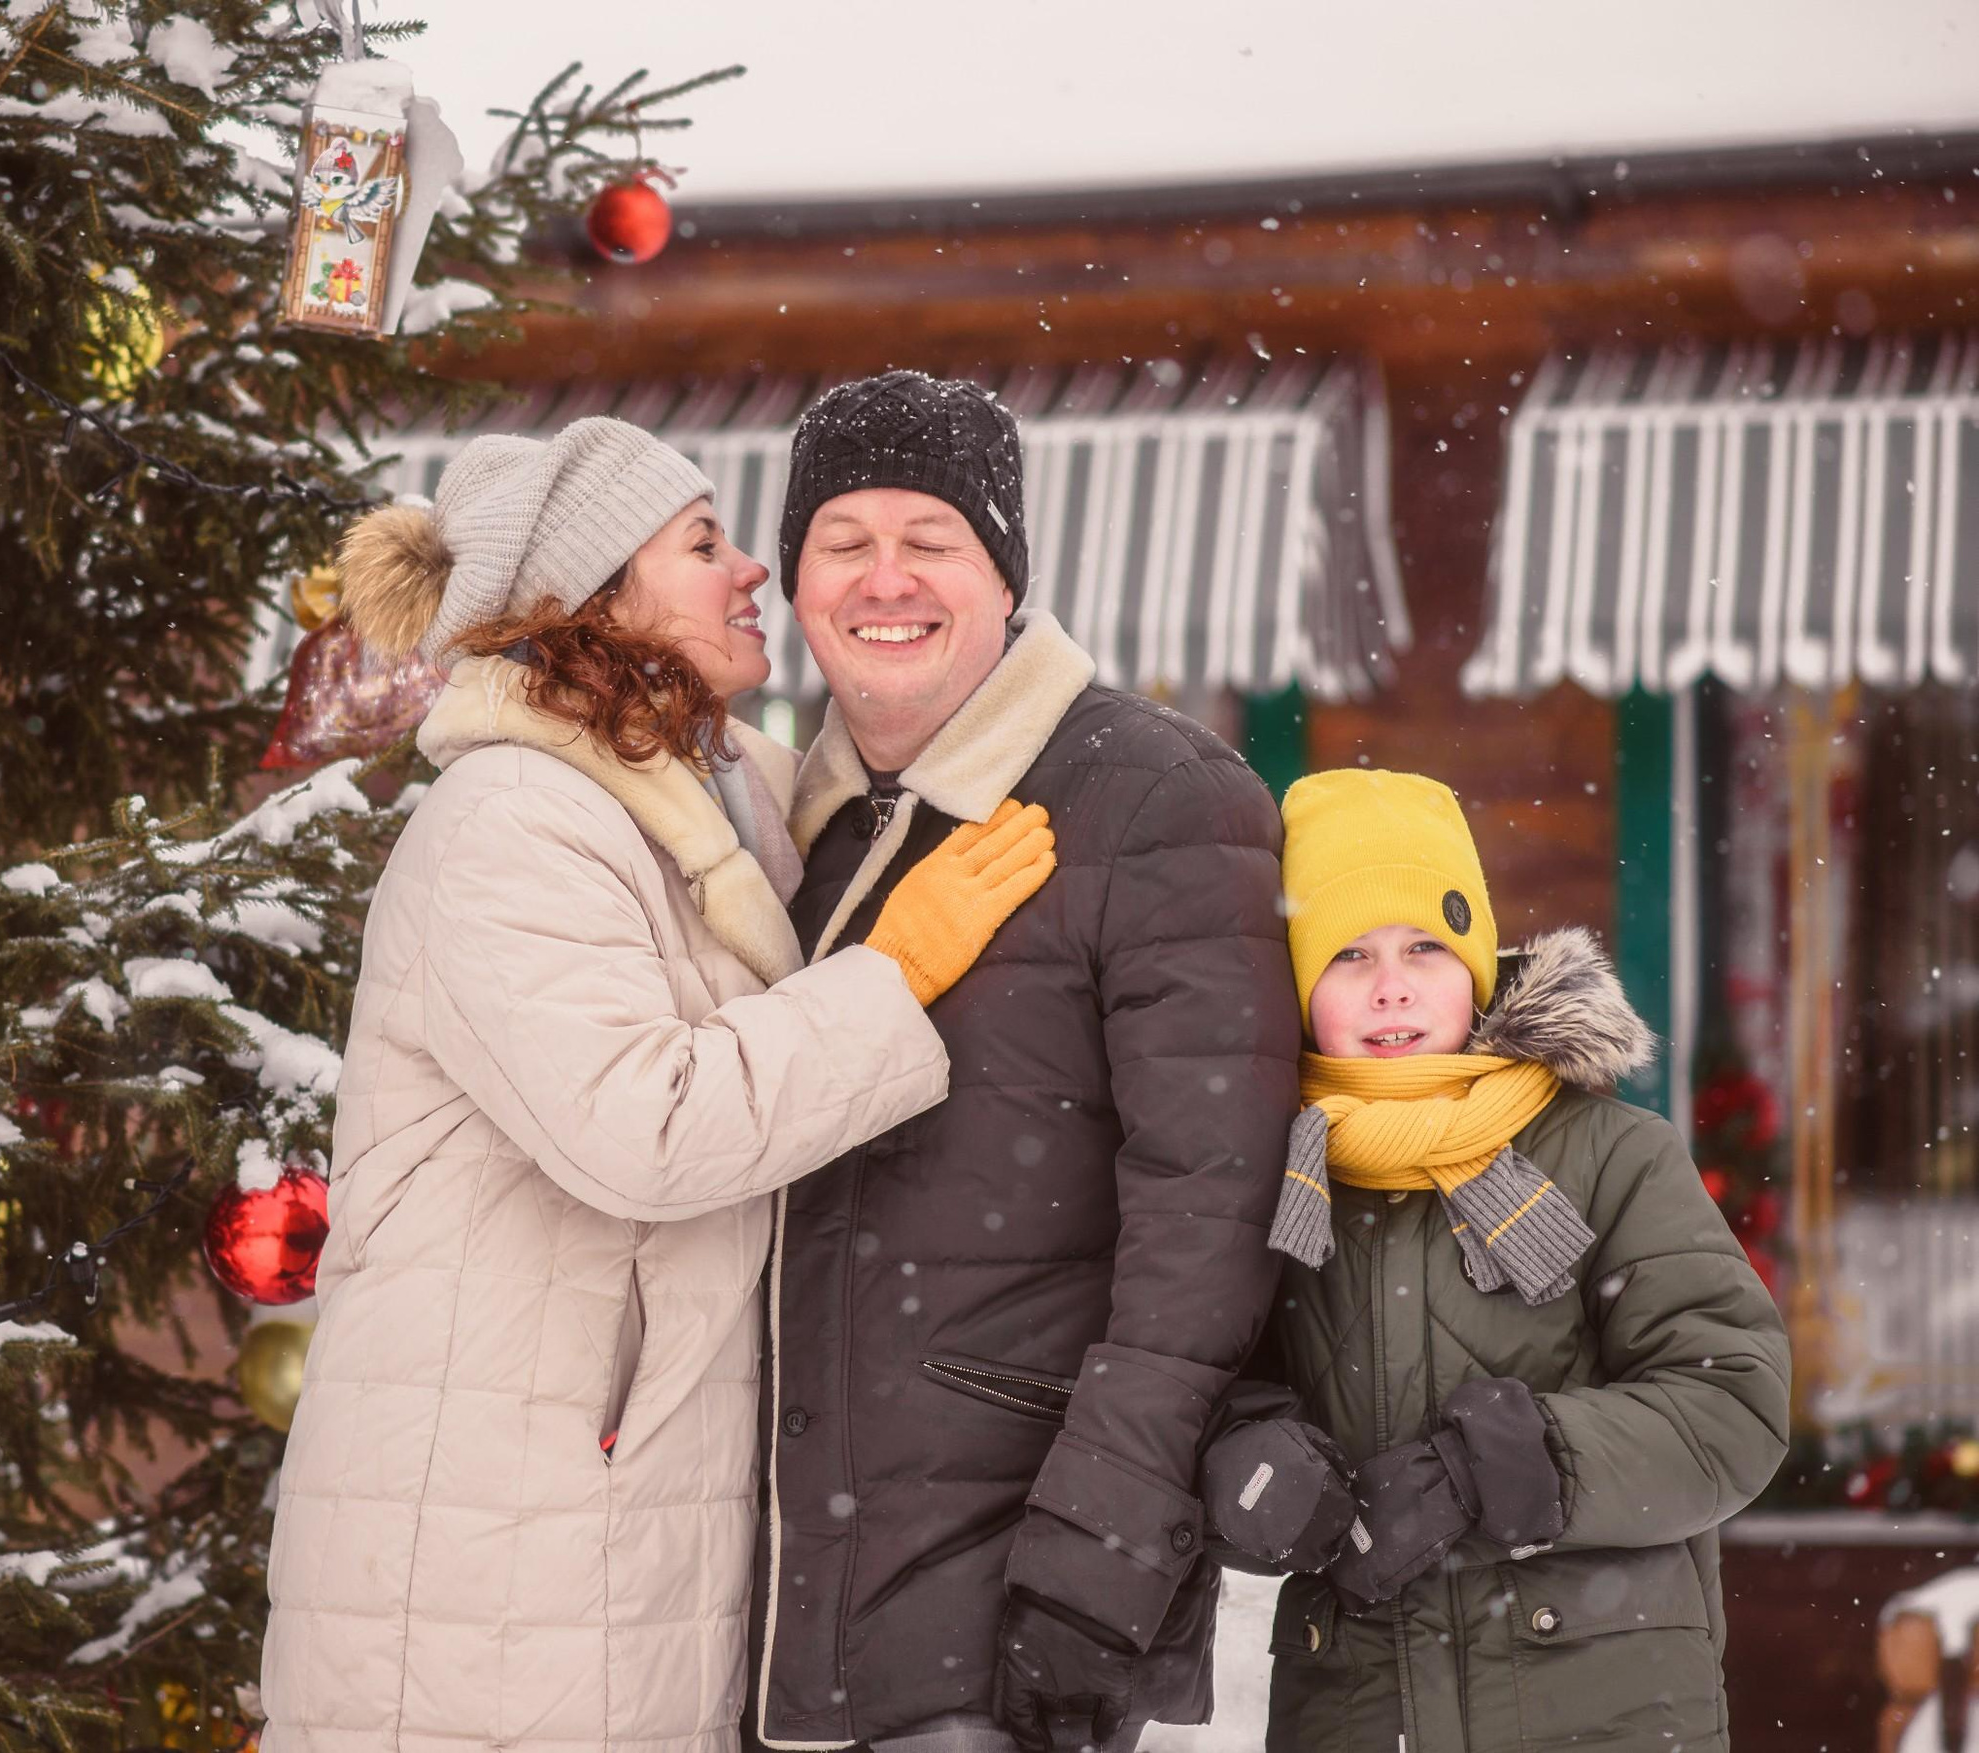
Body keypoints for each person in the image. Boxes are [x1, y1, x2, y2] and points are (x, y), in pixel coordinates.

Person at [259, 416, 1057, 1753]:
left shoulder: (708, 802)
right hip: (487, 1575)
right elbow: (646, 1126)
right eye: (701, 544)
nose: (752, 571)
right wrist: (895, 972)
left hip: (603, 1541)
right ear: (592, 603)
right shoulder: (513, 823)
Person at [749, 371, 1300, 1753]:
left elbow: (1211, 1215)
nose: (885, 580)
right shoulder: (780, 829)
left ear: (1004, 575)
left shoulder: (1157, 798)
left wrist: (1098, 1555)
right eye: (842, 541)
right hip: (757, 1619)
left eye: (930, 540)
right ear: (798, 581)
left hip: (1000, 1616)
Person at [1199, 768, 1792, 1753]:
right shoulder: (1265, 1176)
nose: (1391, 984)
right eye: (1347, 953)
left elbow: (1730, 1403)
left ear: (1475, 960)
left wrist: (1508, 1465)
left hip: (1604, 1708)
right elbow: (1194, 1387)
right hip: (1358, 1706)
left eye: (1424, 946)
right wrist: (1246, 1465)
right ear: (1297, 984)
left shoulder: (1611, 1154)